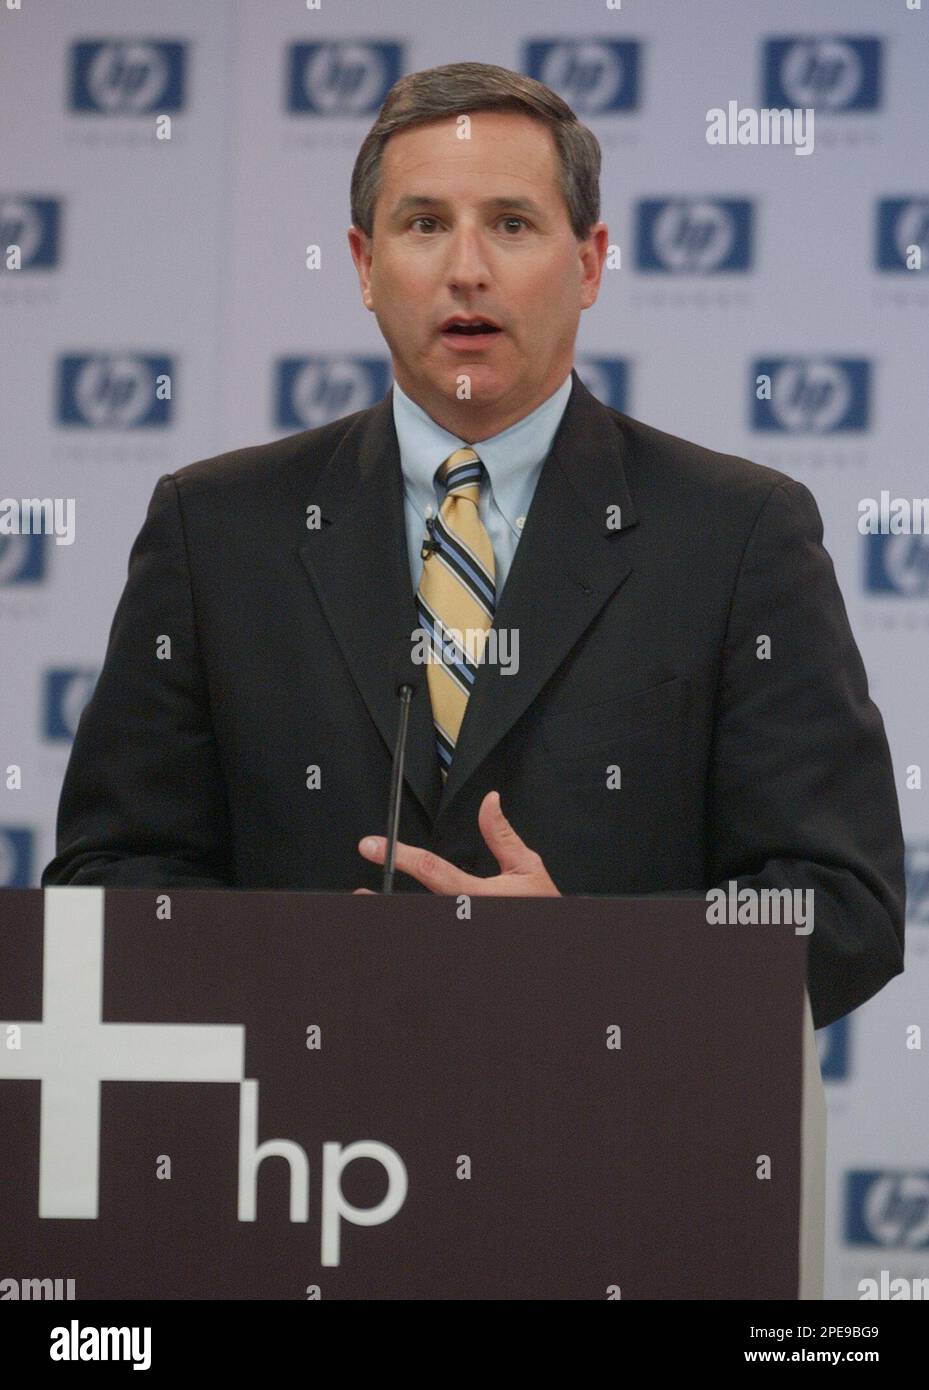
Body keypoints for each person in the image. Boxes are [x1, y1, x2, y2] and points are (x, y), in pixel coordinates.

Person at [42, 62, 905, 1030]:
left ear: (587, 263)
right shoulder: (216, 528)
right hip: (294, 1147)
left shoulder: (737, 531)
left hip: (615, 1146)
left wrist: (580, 958)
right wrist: (309, 972)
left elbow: (841, 906)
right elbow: (110, 876)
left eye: (510, 222)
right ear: (364, 266)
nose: (465, 269)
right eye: (422, 224)